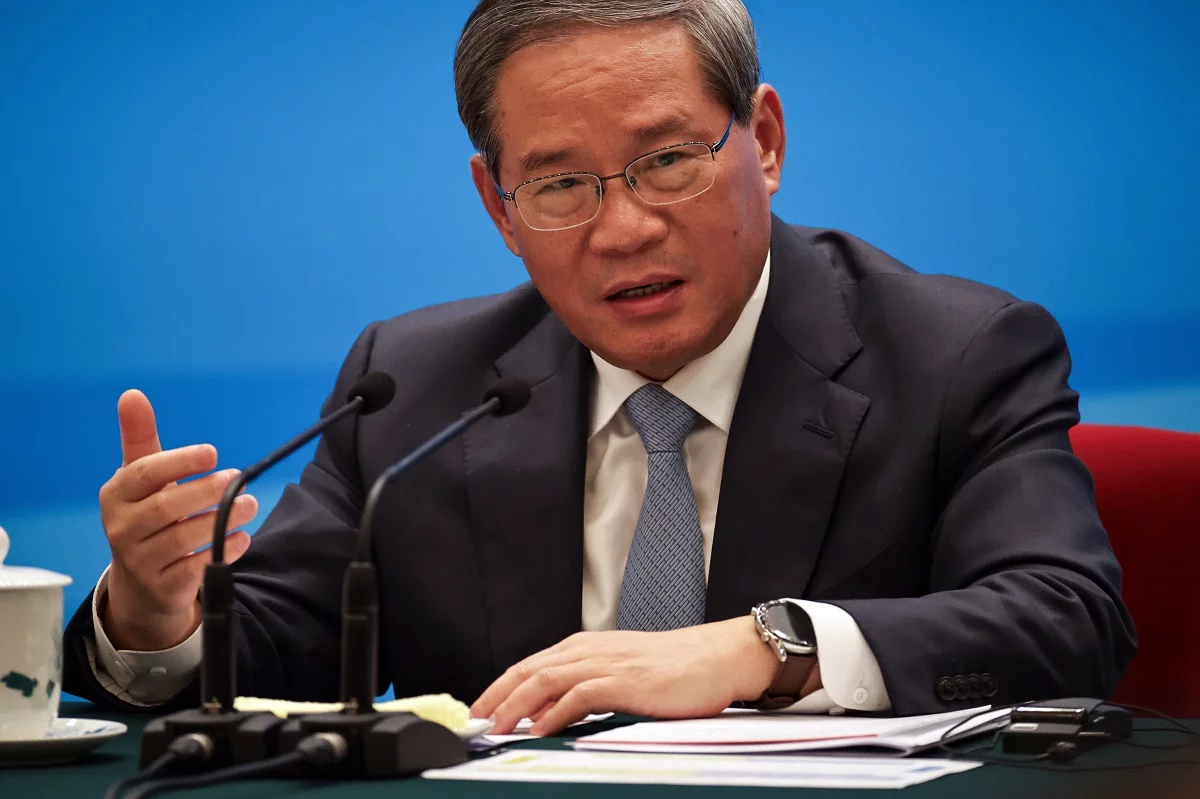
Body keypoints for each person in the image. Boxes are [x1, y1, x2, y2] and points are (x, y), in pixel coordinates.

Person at [63, 0, 1135, 735]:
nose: (623, 229)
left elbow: (1067, 618)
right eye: (560, 186)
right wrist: (157, 619)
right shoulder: (414, 384)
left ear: (763, 140)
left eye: (666, 162)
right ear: (498, 206)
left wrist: (768, 647)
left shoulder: (954, 354)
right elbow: (283, 658)